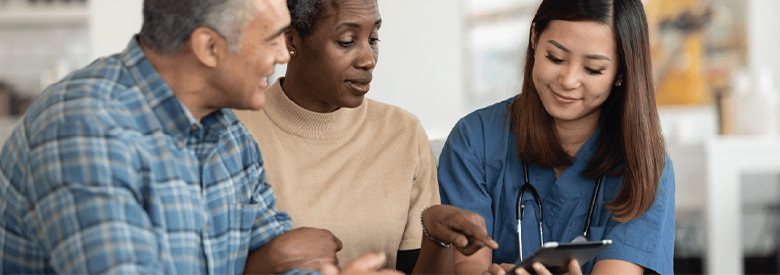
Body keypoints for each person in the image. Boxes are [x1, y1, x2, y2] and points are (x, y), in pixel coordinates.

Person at [0, 0, 395, 273]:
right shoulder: (84, 129)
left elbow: (281, 265)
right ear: (209, 47)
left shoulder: (229, 138)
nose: (282, 54)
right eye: (272, 38)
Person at [235, 0, 497, 273]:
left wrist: (437, 239)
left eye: (373, 38)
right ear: (291, 40)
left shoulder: (403, 133)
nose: (368, 60)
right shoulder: (233, 133)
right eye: (347, 41)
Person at [437, 0, 675, 274]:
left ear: (620, 73)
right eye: (556, 58)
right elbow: (467, 264)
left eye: (593, 69)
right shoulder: (474, 141)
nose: (568, 80)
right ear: (535, 38)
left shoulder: (644, 168)